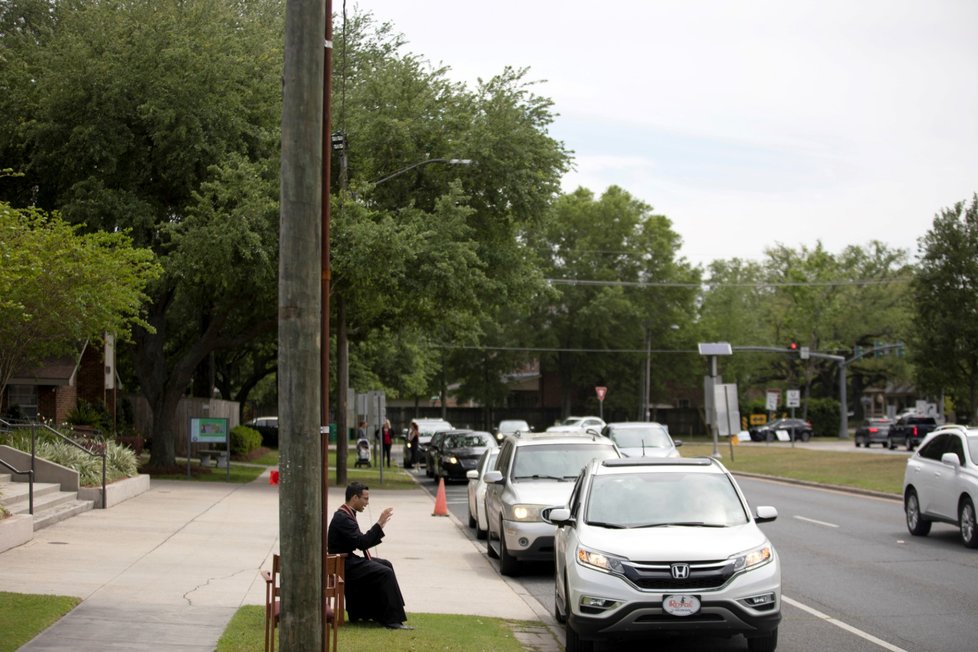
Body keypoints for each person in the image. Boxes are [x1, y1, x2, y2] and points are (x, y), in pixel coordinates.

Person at [327, 481, 412, 630]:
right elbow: (362, 543)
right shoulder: (343, 518)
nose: (367, 503)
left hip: (347, 560)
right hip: (342, 564)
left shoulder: (346, 514)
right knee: (384, 573)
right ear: (354, 498)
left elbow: (359, 541)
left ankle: (378, 613)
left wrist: (379, 526)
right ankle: (392, 620)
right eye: (365, 499)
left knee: (386, 564)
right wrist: (379, 524)